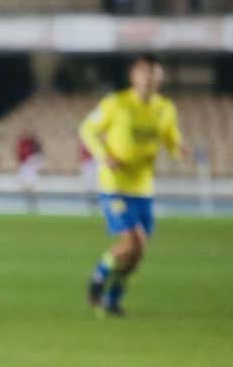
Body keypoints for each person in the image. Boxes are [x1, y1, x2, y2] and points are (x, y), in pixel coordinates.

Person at [80, 53, 186, 317]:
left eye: (154, 73)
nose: (149, 78)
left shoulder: (165, 109)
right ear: (133, 76)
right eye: (144, 72)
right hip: (115, 185)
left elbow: (171, 138)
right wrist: (103, 155)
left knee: (138, 253)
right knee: (132, 240)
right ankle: (98, 275)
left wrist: (178, 150)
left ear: (160, 78)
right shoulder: (116, 103)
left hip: (143, 189)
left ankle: (113, 301)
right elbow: (86, 129)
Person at [16, 129, 44, 213]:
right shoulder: (25, 146)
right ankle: (29, 206)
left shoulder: (34, 151)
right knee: (26, 188)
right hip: (26, 168)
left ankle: (33, 206)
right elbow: (20, 156)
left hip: (30, 170)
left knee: (31, 188)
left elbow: (38, 160)